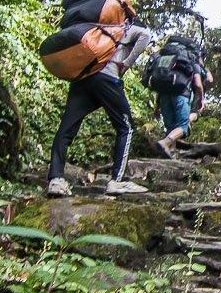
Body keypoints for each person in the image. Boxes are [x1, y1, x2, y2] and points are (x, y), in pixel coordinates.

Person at [46, 20, 156, 197]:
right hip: (107, 78)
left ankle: (56, 180)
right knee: (126, 128)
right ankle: (117, 181)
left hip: (82, 79)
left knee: (66, 128)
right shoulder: (126, 28)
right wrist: (126, 63)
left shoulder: (96, 27)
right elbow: (146, 35)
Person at [154, 38, 208, 158]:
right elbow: (198, 84)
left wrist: (157, 106)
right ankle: (165, 143)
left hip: (163, 95)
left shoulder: (169, 61)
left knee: (171, 126)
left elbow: (162, 82)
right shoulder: (192, 60)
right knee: (183, 126)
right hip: (181, 95)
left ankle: (170, 152)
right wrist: (201, 99)